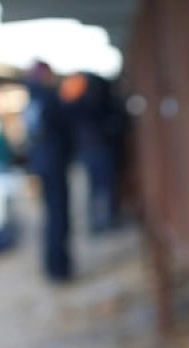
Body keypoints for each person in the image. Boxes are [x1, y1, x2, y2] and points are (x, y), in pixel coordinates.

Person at [22, 61, 74, 283]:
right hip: (54, 164)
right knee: (58, 216)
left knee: (50, 217)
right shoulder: (49, 98)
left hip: (41, 164)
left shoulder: (31, 101)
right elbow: (64, 130)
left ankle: (53, 266)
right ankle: (59, 268)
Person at [61, 71, 124, 233]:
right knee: (104, 186)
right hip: (98, 148)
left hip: (87, 149)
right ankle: (104, 220)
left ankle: (98, 222)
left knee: (96, 187)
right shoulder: (95, 102)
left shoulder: (74, 103)